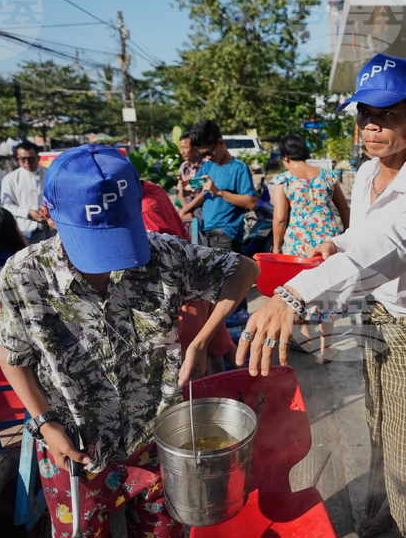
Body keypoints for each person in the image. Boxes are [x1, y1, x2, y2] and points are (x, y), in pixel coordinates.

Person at [0, 145, 258, 538]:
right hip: (73, 449)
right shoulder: (23, 274)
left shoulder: (161, 254)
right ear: (49, 215)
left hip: (155, 439)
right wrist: (46, 424)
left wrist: (202, 337)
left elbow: (243, 270)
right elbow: (15, 357)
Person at [237, 54, 406, 538]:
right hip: (376, 313)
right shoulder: (364, 175)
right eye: (364, 115)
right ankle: (383, 504)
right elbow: (353, 243)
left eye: (386, 115)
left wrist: (296, 293)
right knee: (378, 422)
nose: (371, 127)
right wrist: (319, 259)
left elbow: (376, 249)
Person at [140, 179, 239, 373]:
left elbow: (161, 262)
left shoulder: (145, 210)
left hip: (179, 290)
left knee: (191, 362)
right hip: (197, 281)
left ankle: (217, 396)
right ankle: (254, 389)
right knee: (221, 344)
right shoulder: (153, 188)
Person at [270, 134, 350, 362]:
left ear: (285, 156)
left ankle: (307, 342)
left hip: (297, 244)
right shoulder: (327, 176)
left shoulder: (284, 180)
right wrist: (347, 235)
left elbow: (279, 218)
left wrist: (276, 248)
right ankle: (326, 349)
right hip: (327, 242)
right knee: (328, 292)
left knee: (299, 290)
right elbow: (344, 208)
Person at [179, 120, 257, 253]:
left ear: (220, 143)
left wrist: (219, 192)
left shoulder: (239, 168)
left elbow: (251, 203)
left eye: (209, 153)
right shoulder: (208, 166)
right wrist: (184, 187)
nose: (207, 157)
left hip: (226, 234)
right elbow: (191, 192)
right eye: (203, 155)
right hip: (205, 232)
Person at [0, 141, 50, 244]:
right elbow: (5, 205)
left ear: (38, 158)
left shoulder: (49, 174)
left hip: (51, 226)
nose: (27, 162)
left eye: (31, 158)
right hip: (26, 229)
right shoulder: (10, 179)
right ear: (17, 159)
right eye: (23, 159)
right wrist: (27, 212)